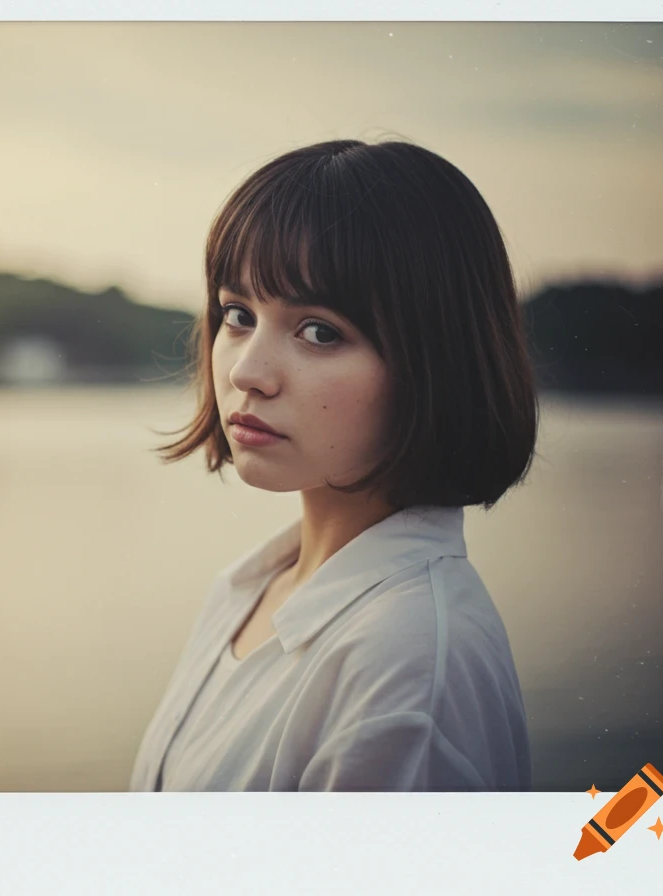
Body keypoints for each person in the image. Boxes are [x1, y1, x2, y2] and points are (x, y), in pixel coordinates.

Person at [130, 138, 538, 792]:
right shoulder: (252, 585)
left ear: (433, 362)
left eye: (319, 331)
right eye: (238, 315)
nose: (246, 371)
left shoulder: (410, 666)